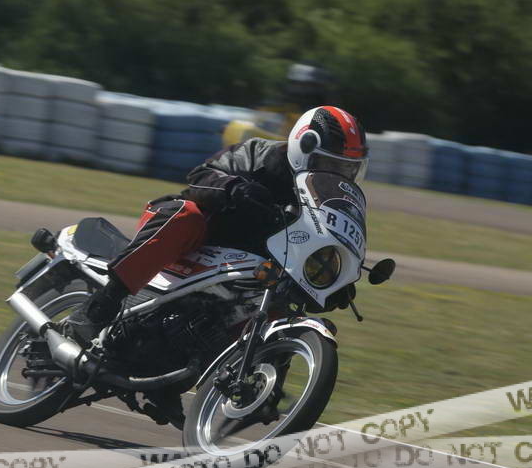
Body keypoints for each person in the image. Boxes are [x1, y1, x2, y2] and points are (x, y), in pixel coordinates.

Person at [66, 106, 369, 348]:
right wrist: (235, 188)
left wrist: (332, 275)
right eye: (332, 164)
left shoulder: (322, 199)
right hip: (198, 235)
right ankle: (102, 304)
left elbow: (315, 237)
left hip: (249, 258)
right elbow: (200, 176)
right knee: (187, 216)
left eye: (346, 168)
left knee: (283, 301)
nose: (337, 174)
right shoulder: (260, 154)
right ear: (304, 147)